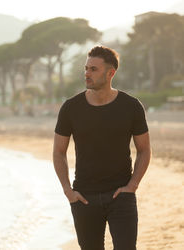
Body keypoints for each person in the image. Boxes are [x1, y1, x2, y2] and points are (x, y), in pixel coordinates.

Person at [53, 45, 151, 250]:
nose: (87, 73)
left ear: (110, 73)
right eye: (86, 68)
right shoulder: (71, 107)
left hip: (121, 196)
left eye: (93, 69)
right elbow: (59, 152)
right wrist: (67, 191)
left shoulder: (131, 106)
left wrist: (132, 186)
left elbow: (144, 149)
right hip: (84, 198)